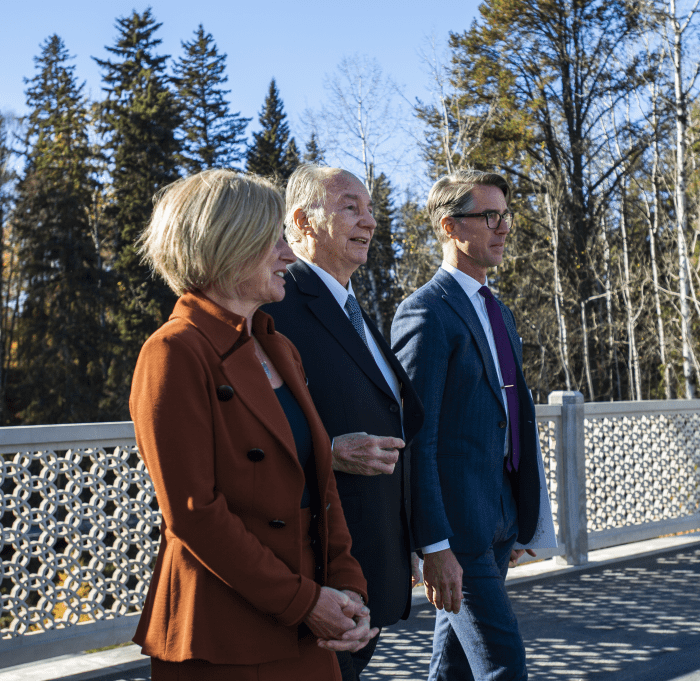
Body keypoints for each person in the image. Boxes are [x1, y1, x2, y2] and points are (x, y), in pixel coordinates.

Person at [129, 169, 377, 680]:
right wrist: (305, 601)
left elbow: (321, 484)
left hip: (309, 625)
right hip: (226, 635)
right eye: (275, 241)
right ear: (227, 245)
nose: (289, 255)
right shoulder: (173, 352)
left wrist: (349, 589)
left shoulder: (278, 347)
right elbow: (195, 514)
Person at [262, 164, 424, 681]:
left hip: (375, 557)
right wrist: (330, 451)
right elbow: (252, 427)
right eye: (350, 207)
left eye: (371, 208)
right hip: (321, 569)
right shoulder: (278, 305)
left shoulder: (350, 303)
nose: (370, 221)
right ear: (302, 223)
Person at [392, 170, 542, 681]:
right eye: (489, 217)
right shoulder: (426, 313)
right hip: (458, 532)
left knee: (453, 663)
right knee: (504, 664)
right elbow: (418, 438)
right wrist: (433, 545)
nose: (502, 228)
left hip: (498, 516)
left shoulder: (499, 312)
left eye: (505, 217)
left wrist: (520, 514)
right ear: (451, 226)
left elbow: (512, 416)